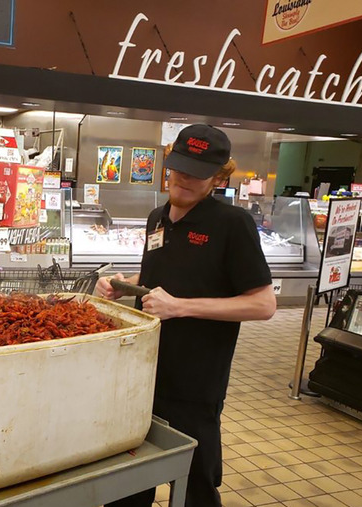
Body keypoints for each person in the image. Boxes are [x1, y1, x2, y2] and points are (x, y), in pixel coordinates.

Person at [98, 124, 276, 507]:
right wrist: (123, 284)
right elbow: (156, 275)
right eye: (181, 168)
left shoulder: (232, 225)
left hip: (195, 386)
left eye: (200, 173)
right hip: (143, 374)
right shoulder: (157, 218)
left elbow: (263, 304)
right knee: (129, 482)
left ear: (218, 177)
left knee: (196, 487)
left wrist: (180, 307)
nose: (186, 180)